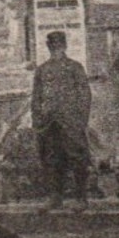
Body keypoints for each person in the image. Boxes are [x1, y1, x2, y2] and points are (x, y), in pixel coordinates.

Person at [31, 30, 92, 211]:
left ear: (64, 46)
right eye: (53, 45)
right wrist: (37, 120)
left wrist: (80, 120)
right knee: (51, 158)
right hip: (49, 123)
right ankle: (55, 197)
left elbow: (85, 95)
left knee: (77, 157)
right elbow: (36, 97)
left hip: (71, 122)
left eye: (59, 45)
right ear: (48, 47)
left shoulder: (75, 67)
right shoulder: (42, 70)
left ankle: (81, 198)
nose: (56, 48)